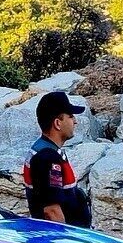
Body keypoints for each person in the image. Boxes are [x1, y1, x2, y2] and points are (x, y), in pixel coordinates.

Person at [22, 91, 92, 227]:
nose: (75, 121)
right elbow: (51, 211)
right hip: (62, 240)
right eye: (71, 116)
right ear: (57, 123)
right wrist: (64, 242)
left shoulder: (48, 151)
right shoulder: (47, 158)